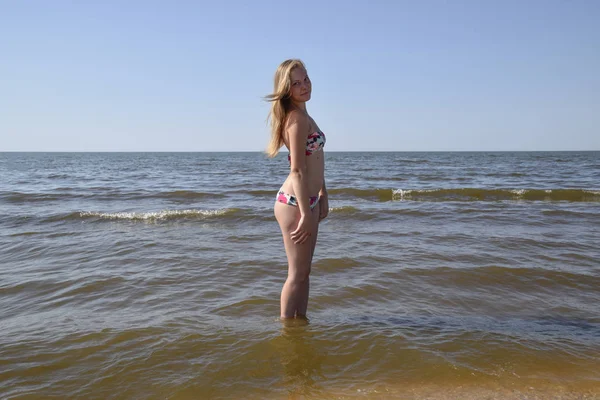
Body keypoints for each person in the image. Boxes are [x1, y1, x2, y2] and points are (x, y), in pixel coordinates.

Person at [265, 59, 328, 320]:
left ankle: (300, 324)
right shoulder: (296, 119)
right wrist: (304, 212)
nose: (304, 86)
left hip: (308, 201)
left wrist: (323, 194)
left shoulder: (305, 115)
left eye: (306, 79)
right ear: (286, 89)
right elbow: (298, 170)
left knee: (305, 272)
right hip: (294, 203)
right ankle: (286, 330)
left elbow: (316, 161)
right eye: (296, 83)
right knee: (296, 273)